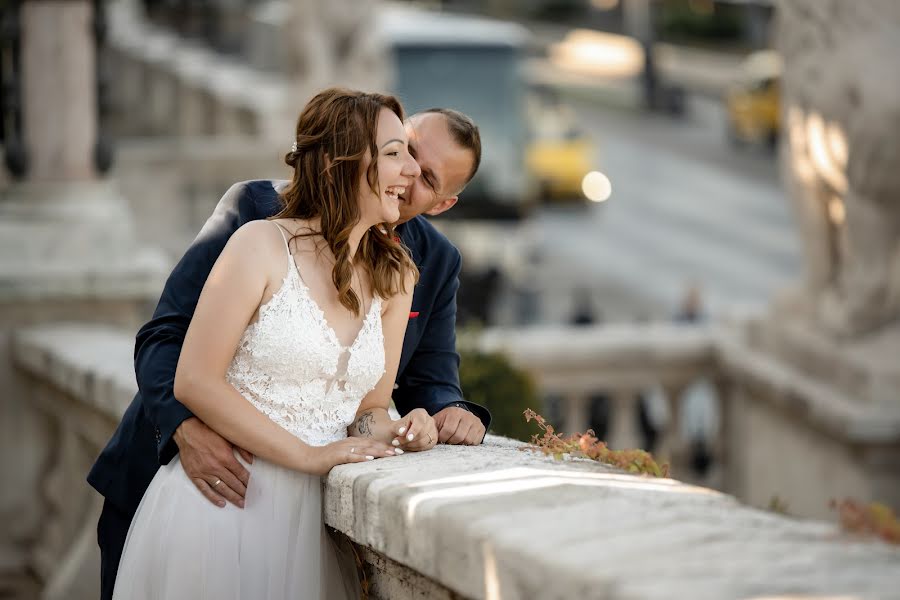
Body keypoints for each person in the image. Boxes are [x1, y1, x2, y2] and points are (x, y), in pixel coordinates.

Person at [88, 97, 489, 598]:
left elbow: (405, 391)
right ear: (348, 158)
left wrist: (437, 417)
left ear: (442, 203)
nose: (409, 173)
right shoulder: (254, 216)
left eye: (427, 177)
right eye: (401, 151)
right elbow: (166, 337)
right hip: (199, 484)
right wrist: (185, 427)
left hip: (306, 520)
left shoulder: (420, 266)